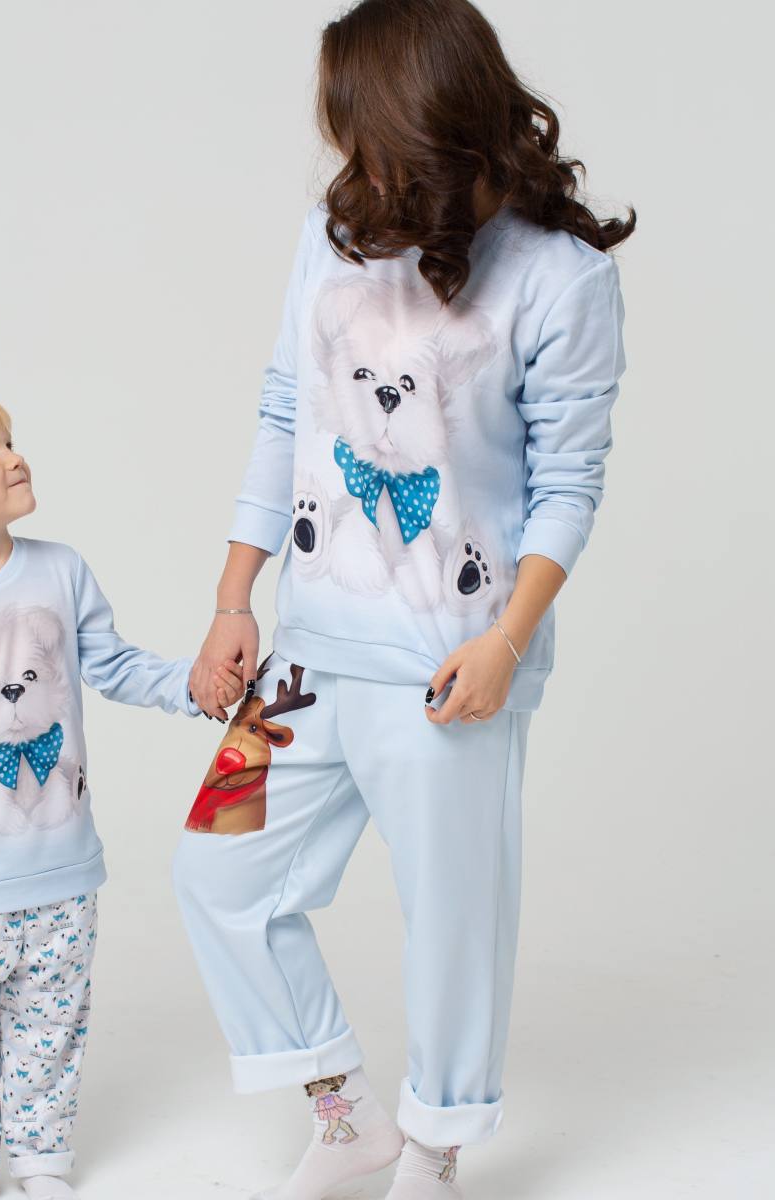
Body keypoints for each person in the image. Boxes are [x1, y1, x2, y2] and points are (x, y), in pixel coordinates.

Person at [173, 2, 634, 1197]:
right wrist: (234, 596)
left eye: (358, 121)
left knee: (451, 917)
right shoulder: (332, 239)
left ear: (423, 113)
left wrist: (506, 643)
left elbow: (567, 482)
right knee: (216, 870)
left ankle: (431, 1150)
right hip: (307, 652)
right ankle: (345, 1118)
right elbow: (284, 410)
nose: (344, 148)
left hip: (448, 664)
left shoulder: (559, 275)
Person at [0, 389, 238, 1200]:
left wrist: (195, 686)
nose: (14, 457)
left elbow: (113, 665)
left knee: (51, 1024)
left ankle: (41, 1157)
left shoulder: (62, 571)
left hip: (64, 869)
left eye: (10, 441)